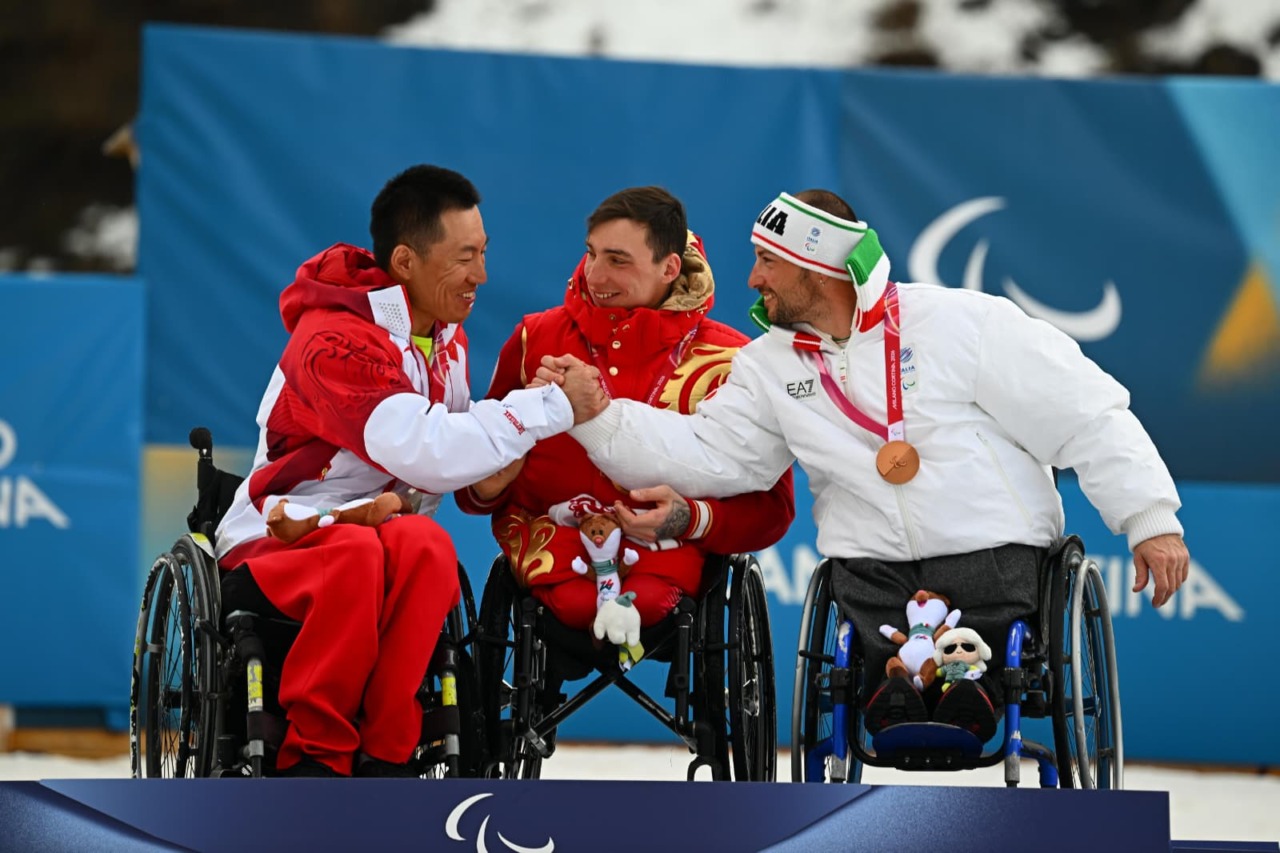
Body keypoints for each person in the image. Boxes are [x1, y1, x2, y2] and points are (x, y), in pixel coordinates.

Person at [542, 187, 1190, 741]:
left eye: (768, 261)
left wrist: (1148, 516)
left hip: (992, 554)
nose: (752, 279)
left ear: (817, 269)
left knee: (984, 628)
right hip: (871, 569)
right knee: (876, 644)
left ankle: (973, 691)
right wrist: (600, 414)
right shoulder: (769, 365)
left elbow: (1083, 412)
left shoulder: (963, 323)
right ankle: (898, 691)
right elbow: (711, 454)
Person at [213, 164, 595, 777]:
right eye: (464, 257)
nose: (482, 276)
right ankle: (315, 755)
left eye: (485, 253)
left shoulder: (446, 340)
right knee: (358, 555)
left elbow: (459, 472)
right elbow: (426, 448)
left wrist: (514, 442)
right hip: (276, 539)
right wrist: (546, 407)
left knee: (425, 545)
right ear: (405, 262)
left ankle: (387, 752)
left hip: (379, 537)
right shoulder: (333, 340)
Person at [458, 186, 794, 679]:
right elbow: (475, 489)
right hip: (551, 561)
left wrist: (692, 519)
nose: (595, 275)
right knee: (569, 601)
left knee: (651, 595)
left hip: (667, 569)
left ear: (670, 268)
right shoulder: (535, 340)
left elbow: (773, 509)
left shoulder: (734, 362)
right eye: (591, 254)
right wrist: (500, 462)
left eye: (618, 261)